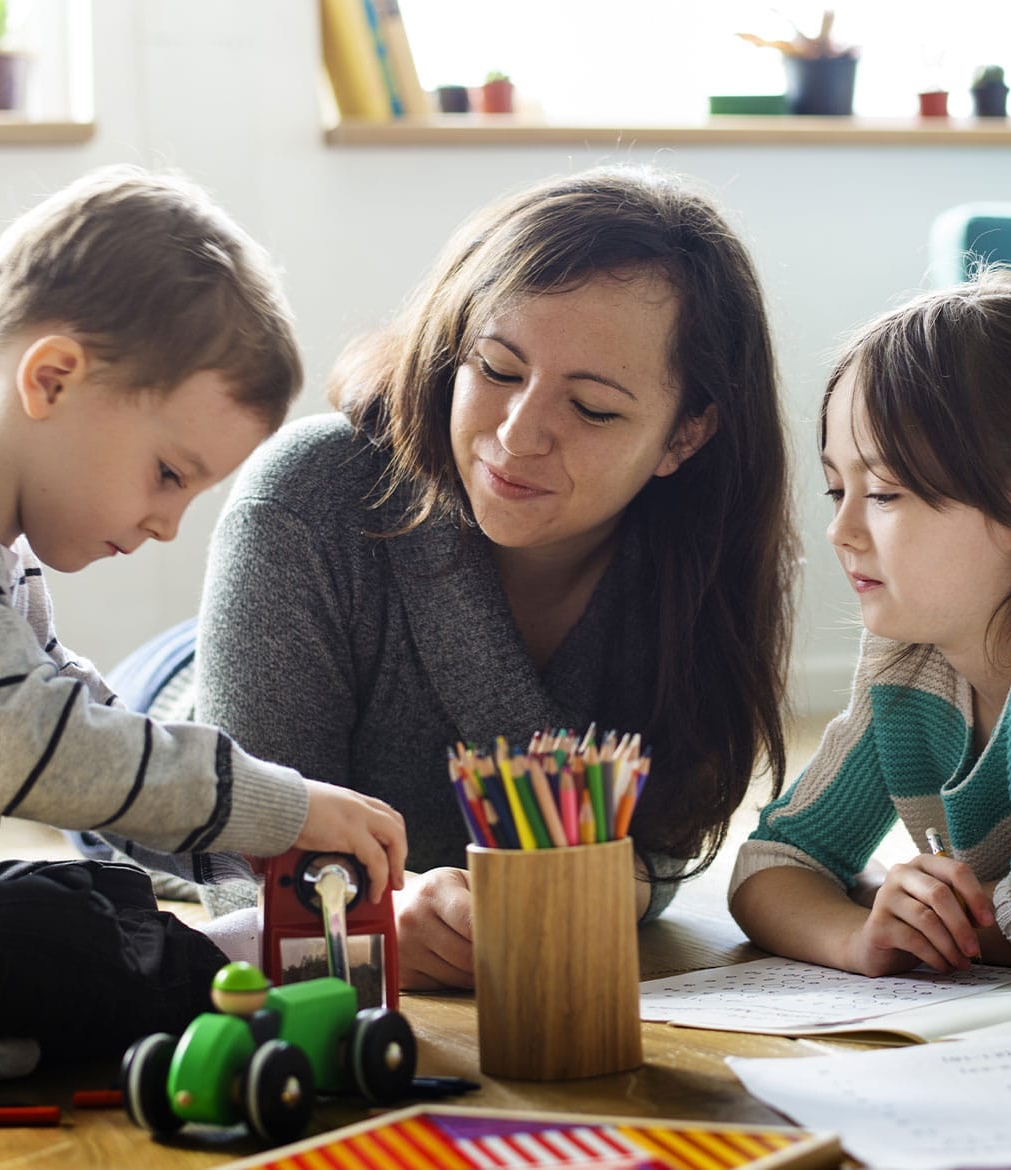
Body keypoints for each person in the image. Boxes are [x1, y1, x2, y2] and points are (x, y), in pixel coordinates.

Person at [0, 165, 406, 1076]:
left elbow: (95, 737)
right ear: (52, 378)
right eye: (169, 475)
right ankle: (227, 979)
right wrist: (275, 804)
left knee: (93, 892)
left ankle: (31, 1021)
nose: (167, 524)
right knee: (50, 933)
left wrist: (244, 848)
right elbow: (37, 752)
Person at [189, 164, 798, 989]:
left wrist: (590, 888)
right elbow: (241, 851)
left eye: (592, 409)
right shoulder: (305, 494)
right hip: (181, 712)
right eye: (498, 370)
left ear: (685, 437)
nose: (517, 435)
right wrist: (382, 908)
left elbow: (658, 851)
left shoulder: (706, 562)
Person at [729, 267, 1011, 977]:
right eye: (836, 488)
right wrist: (861, 935)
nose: (840, 530)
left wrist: (911, 906)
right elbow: (773, 861)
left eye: (883, 492)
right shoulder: (912, 658)